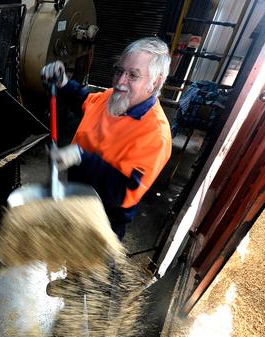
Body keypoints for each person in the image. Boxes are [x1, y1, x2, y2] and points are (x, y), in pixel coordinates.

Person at [41, 37, 172, 241]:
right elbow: (86, 101)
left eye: (133, 75)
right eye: (119, 70)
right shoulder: (113, 97)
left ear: (155, 81)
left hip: (103, 222)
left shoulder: (155, 135)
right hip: (74, 199)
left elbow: (122, 193)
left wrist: (80, 157)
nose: (120, 82)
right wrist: (63, 83)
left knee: (90, 270)